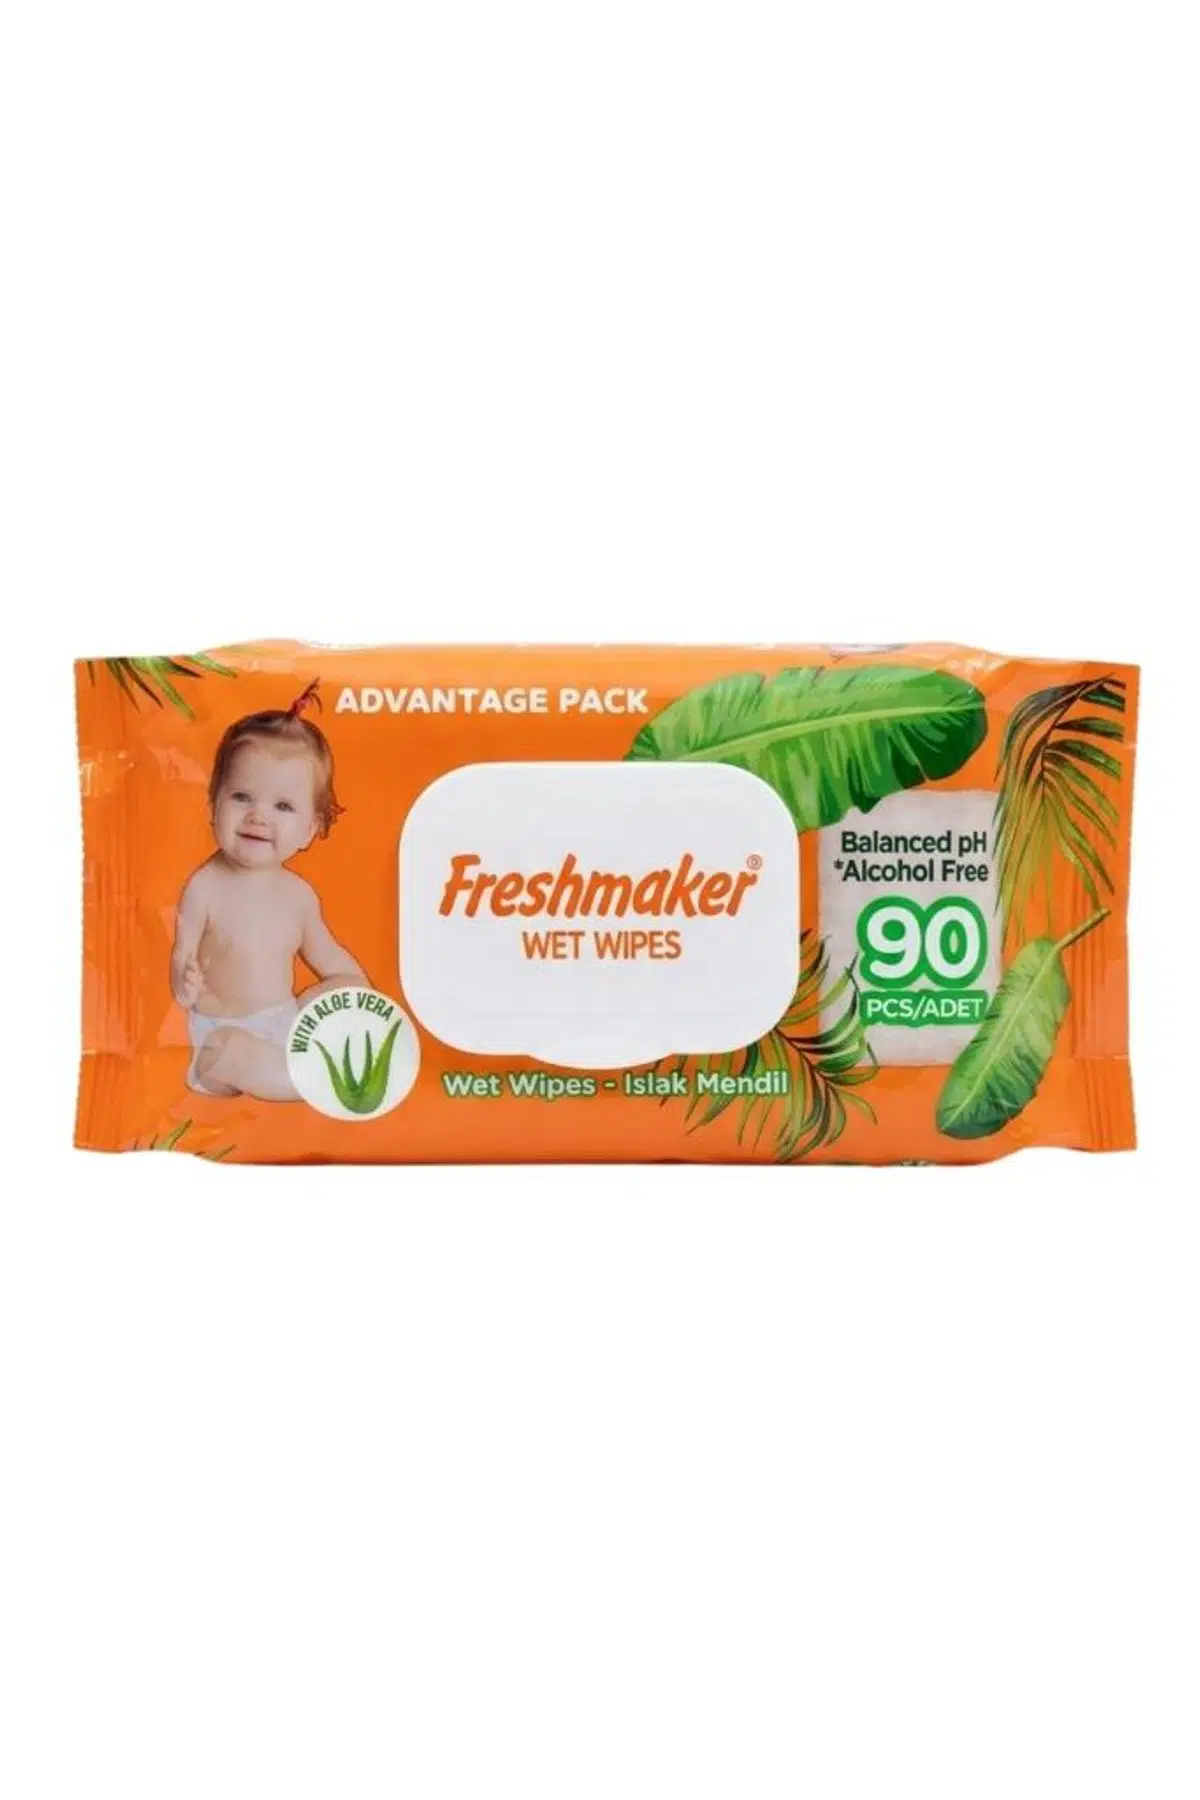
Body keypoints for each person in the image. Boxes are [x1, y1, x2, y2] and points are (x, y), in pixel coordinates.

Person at [171, 681, 366, 1099]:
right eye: (242, 797)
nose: (258, 816)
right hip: (220, 1035)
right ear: (213, 804)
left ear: (309, 829)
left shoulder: (299, 896)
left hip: (284, 1025)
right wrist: (183, 980)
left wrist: (353, 991)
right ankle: (311, 1081)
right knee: (232, 1050)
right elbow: (182, 952)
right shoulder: (205, 886)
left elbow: (332, 960)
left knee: (346, 991)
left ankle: (293, 1067)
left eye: (283, 806)